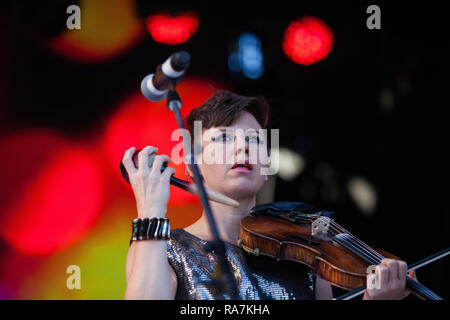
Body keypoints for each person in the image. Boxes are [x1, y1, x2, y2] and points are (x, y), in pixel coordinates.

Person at [123, 90, 416, 300]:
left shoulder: (304, 254)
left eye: (253, 139)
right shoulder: (163, 248)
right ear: (192, 166)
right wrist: (150, 212)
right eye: (223, 138)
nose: (242, 148)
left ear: (266, 165)